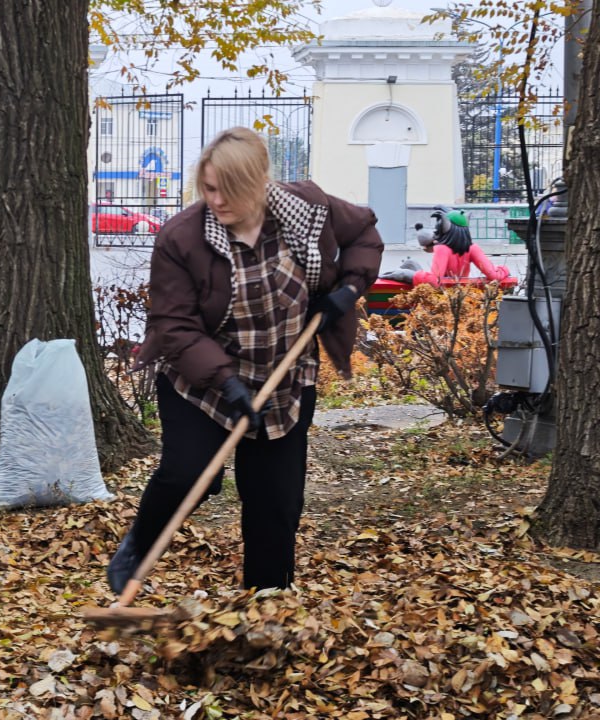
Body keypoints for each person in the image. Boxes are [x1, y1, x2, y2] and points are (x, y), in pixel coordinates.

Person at [109, 127, 384, 592]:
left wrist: (350, 288)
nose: (215, 199)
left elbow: (363, 231)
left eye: (226, 189)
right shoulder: (183, 238)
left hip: (284, 381)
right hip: (200, 385)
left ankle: (266, 601)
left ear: (258, 184)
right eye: (208, 187)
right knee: (189, 471)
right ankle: (139, 544)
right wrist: (227, 383)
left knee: (275, 501)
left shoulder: (307, 209)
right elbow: (174, 326)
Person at [383, 209, 511, 286]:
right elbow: (494, 276)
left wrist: (407, 275)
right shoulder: (472, 248)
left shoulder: (443, 249)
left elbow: (435, 281)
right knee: (410, 263)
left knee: (409, 266)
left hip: (443, 297)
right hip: (462, 295)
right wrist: (504, 269)